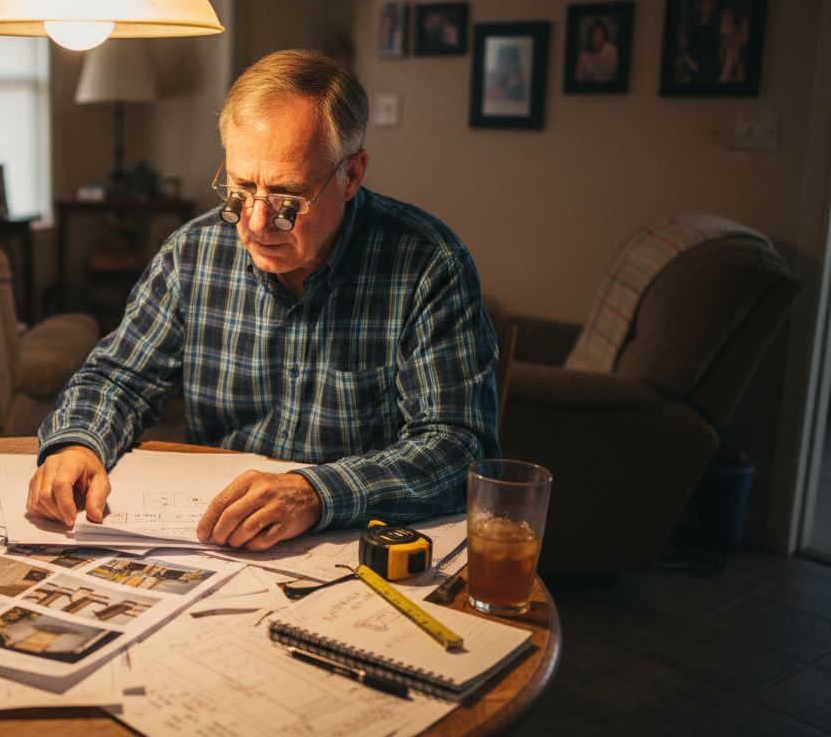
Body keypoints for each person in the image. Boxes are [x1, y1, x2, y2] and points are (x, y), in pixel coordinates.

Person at [28, 49, 499, 551]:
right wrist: (78, 441)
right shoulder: (193, 252)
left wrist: (315, 492)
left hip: (354, 549)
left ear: (352, 175)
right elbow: (120, 379)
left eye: (286, 199)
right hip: (214, 545)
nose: (254, 224)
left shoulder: (428, 264)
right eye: (240, 188)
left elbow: (457, 447)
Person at [682, 0, 720, 83]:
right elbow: (684, 44)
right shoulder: (692, 22)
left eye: (709, 2)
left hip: (711, 62)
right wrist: (690, 63)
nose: (707, 6)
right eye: (704, 2)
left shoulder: (716, 22)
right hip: (694, 61)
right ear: (700, 5)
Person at [574, 19, 618, 84]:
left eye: (601, 36)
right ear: (590, 37)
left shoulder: (611, 50)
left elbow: (613, 73)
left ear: (604, 36)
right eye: (595, 36)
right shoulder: (584, 54)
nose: (598, 40)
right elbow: (579, 77)